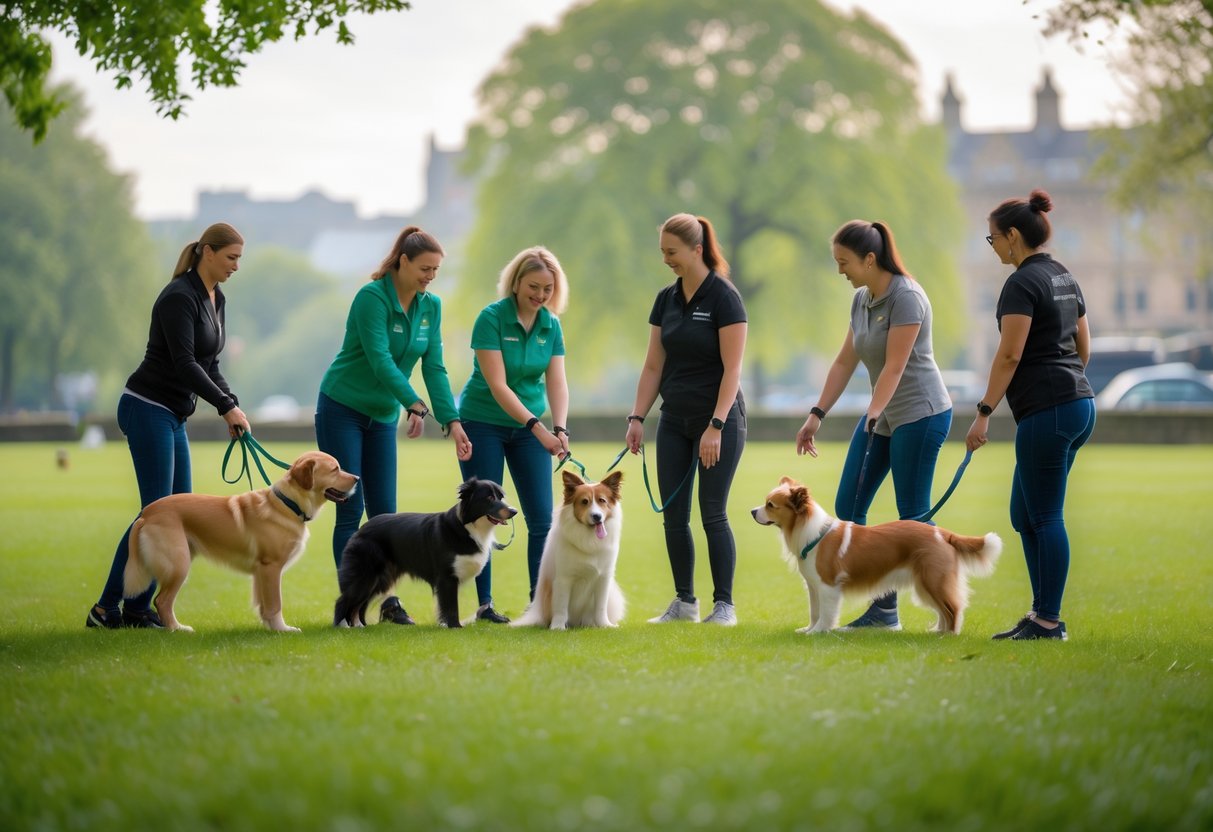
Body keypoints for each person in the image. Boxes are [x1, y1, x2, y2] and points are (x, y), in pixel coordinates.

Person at [86, 223, 252, 629]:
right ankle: (107, 608)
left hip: (174, 414)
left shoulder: (217, 298)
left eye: (239, 259)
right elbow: (185, 363)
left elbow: (212, 364)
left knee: (179, 511)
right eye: (231, 258)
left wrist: (234, 407)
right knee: (158, 513)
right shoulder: (179, 296)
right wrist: (224, 406)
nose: (235, 266)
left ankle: (140, 611)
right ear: (207, 253)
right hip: (147, 407)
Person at [795, 220, 953, 630]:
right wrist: (817, 414)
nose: (840, 271)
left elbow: (897, 366)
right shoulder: (862, 300)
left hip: (921, 412)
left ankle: (945, 606)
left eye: (844, 262)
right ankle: (884, 610)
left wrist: (873, 411)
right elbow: (845, 361)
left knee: (913, 515)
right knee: (849, 505)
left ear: (870, 259)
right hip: (883, 415)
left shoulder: (907, 297)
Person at [315, 225, 473, 626]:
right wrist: (414, 404)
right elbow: (379, 359)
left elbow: (434, 366)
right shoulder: (372, 298)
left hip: (382, 416)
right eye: (424, 268)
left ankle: (388, 604)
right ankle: (351, 609)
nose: (429, 277)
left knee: (386, 514)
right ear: (402, 261)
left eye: (436, 271)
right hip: (343, 407)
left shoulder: (430, 306)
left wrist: (451, 421)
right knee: (350, 510)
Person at [966, 189, 1095, 641]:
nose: (994, 246)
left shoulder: (1021, 283)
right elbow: (1084, 343)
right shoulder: (1063, 275)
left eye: (993, 239)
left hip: (1050, 410)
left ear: (1013, 236)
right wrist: (1070, 379)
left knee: (1045, 515)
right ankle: (1042, 613)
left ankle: (1048, 620)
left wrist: (983, 412)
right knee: (1024, 512)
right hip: (1078, 404)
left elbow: (1009, 354)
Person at [626, 213, 747, 626]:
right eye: (662, 252)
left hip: (719, 421)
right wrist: (638, 416)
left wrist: (716, 425)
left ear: (697, 250)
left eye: (671, 252)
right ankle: (685, 602)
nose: (666, 260)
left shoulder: (724, 298)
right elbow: (653, 366)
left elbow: (733, 370)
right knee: (674, 515)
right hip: (674, 421)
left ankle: (724, 606)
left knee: (712, 511)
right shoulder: (666, 299)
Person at [456, 246, 570, 621]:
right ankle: (485, 604)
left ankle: (539, 603)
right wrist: (539, 429)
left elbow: (556, 381)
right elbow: (498, 385)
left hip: (530, 429)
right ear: (517, 282)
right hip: (483, 421)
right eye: (534, 286)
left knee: (541, 519)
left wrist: (559, 427)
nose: (540, 296)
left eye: (548, 289)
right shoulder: (491, 319)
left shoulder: (551, 325)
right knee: (482, 515)